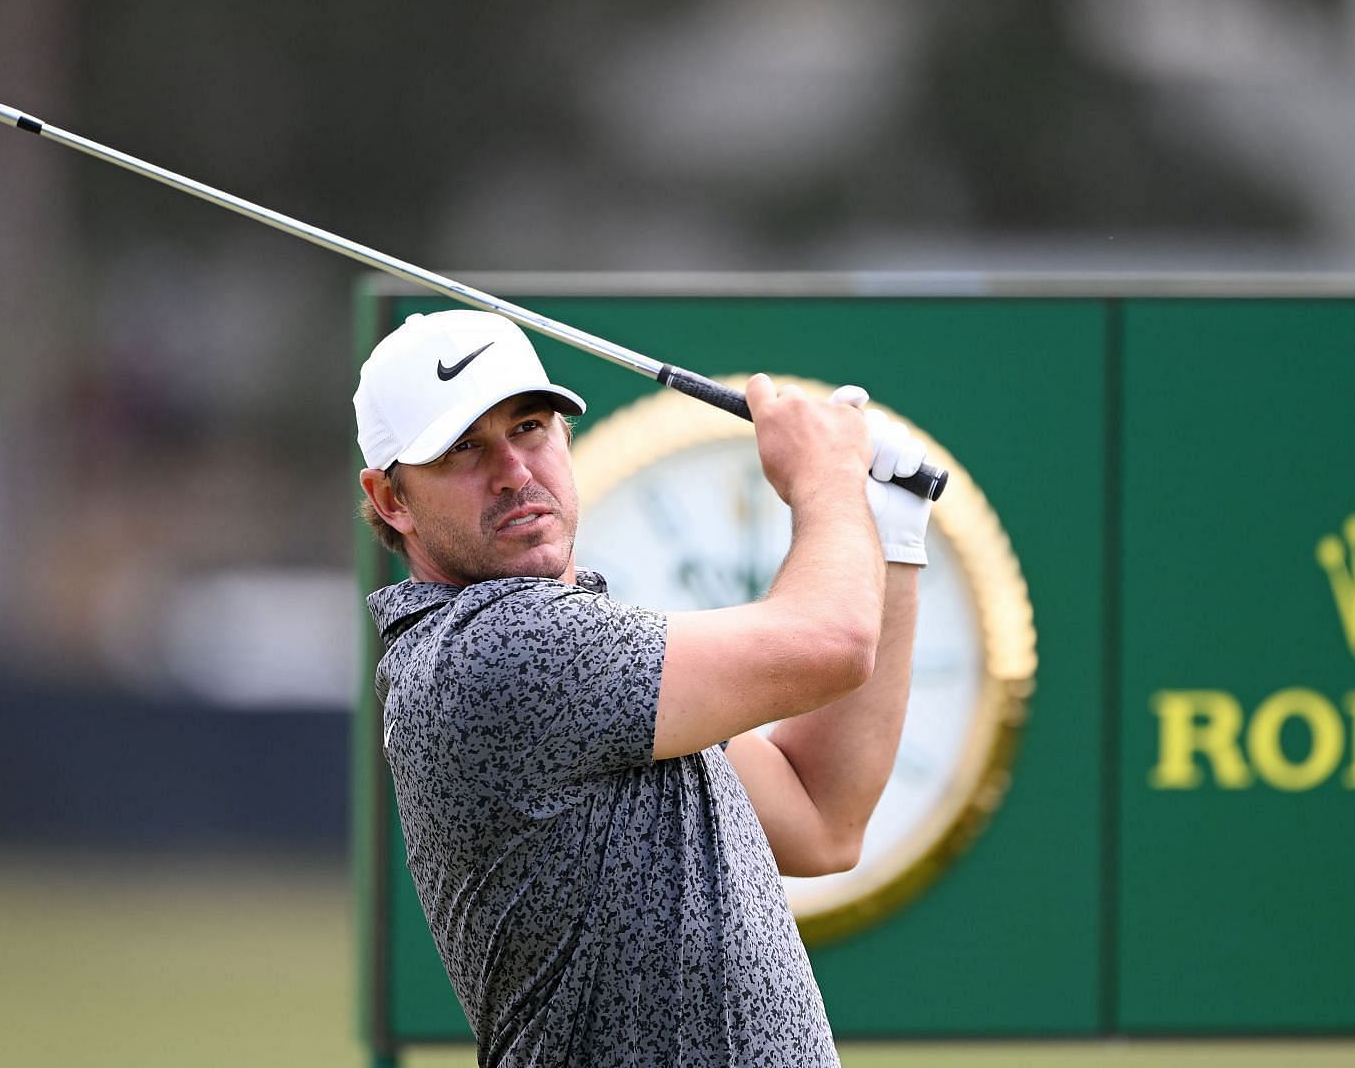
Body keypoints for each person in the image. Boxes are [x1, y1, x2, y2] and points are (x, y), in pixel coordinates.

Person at [355, 308, 930, 1067]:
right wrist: (827, 478)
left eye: (528, 426)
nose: (514, 471)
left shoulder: (583, 663)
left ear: (564, 435)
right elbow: (834, 641)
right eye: (464, 448)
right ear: (392, 499)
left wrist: (889, 528)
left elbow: (824, 814)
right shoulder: (493, 649)